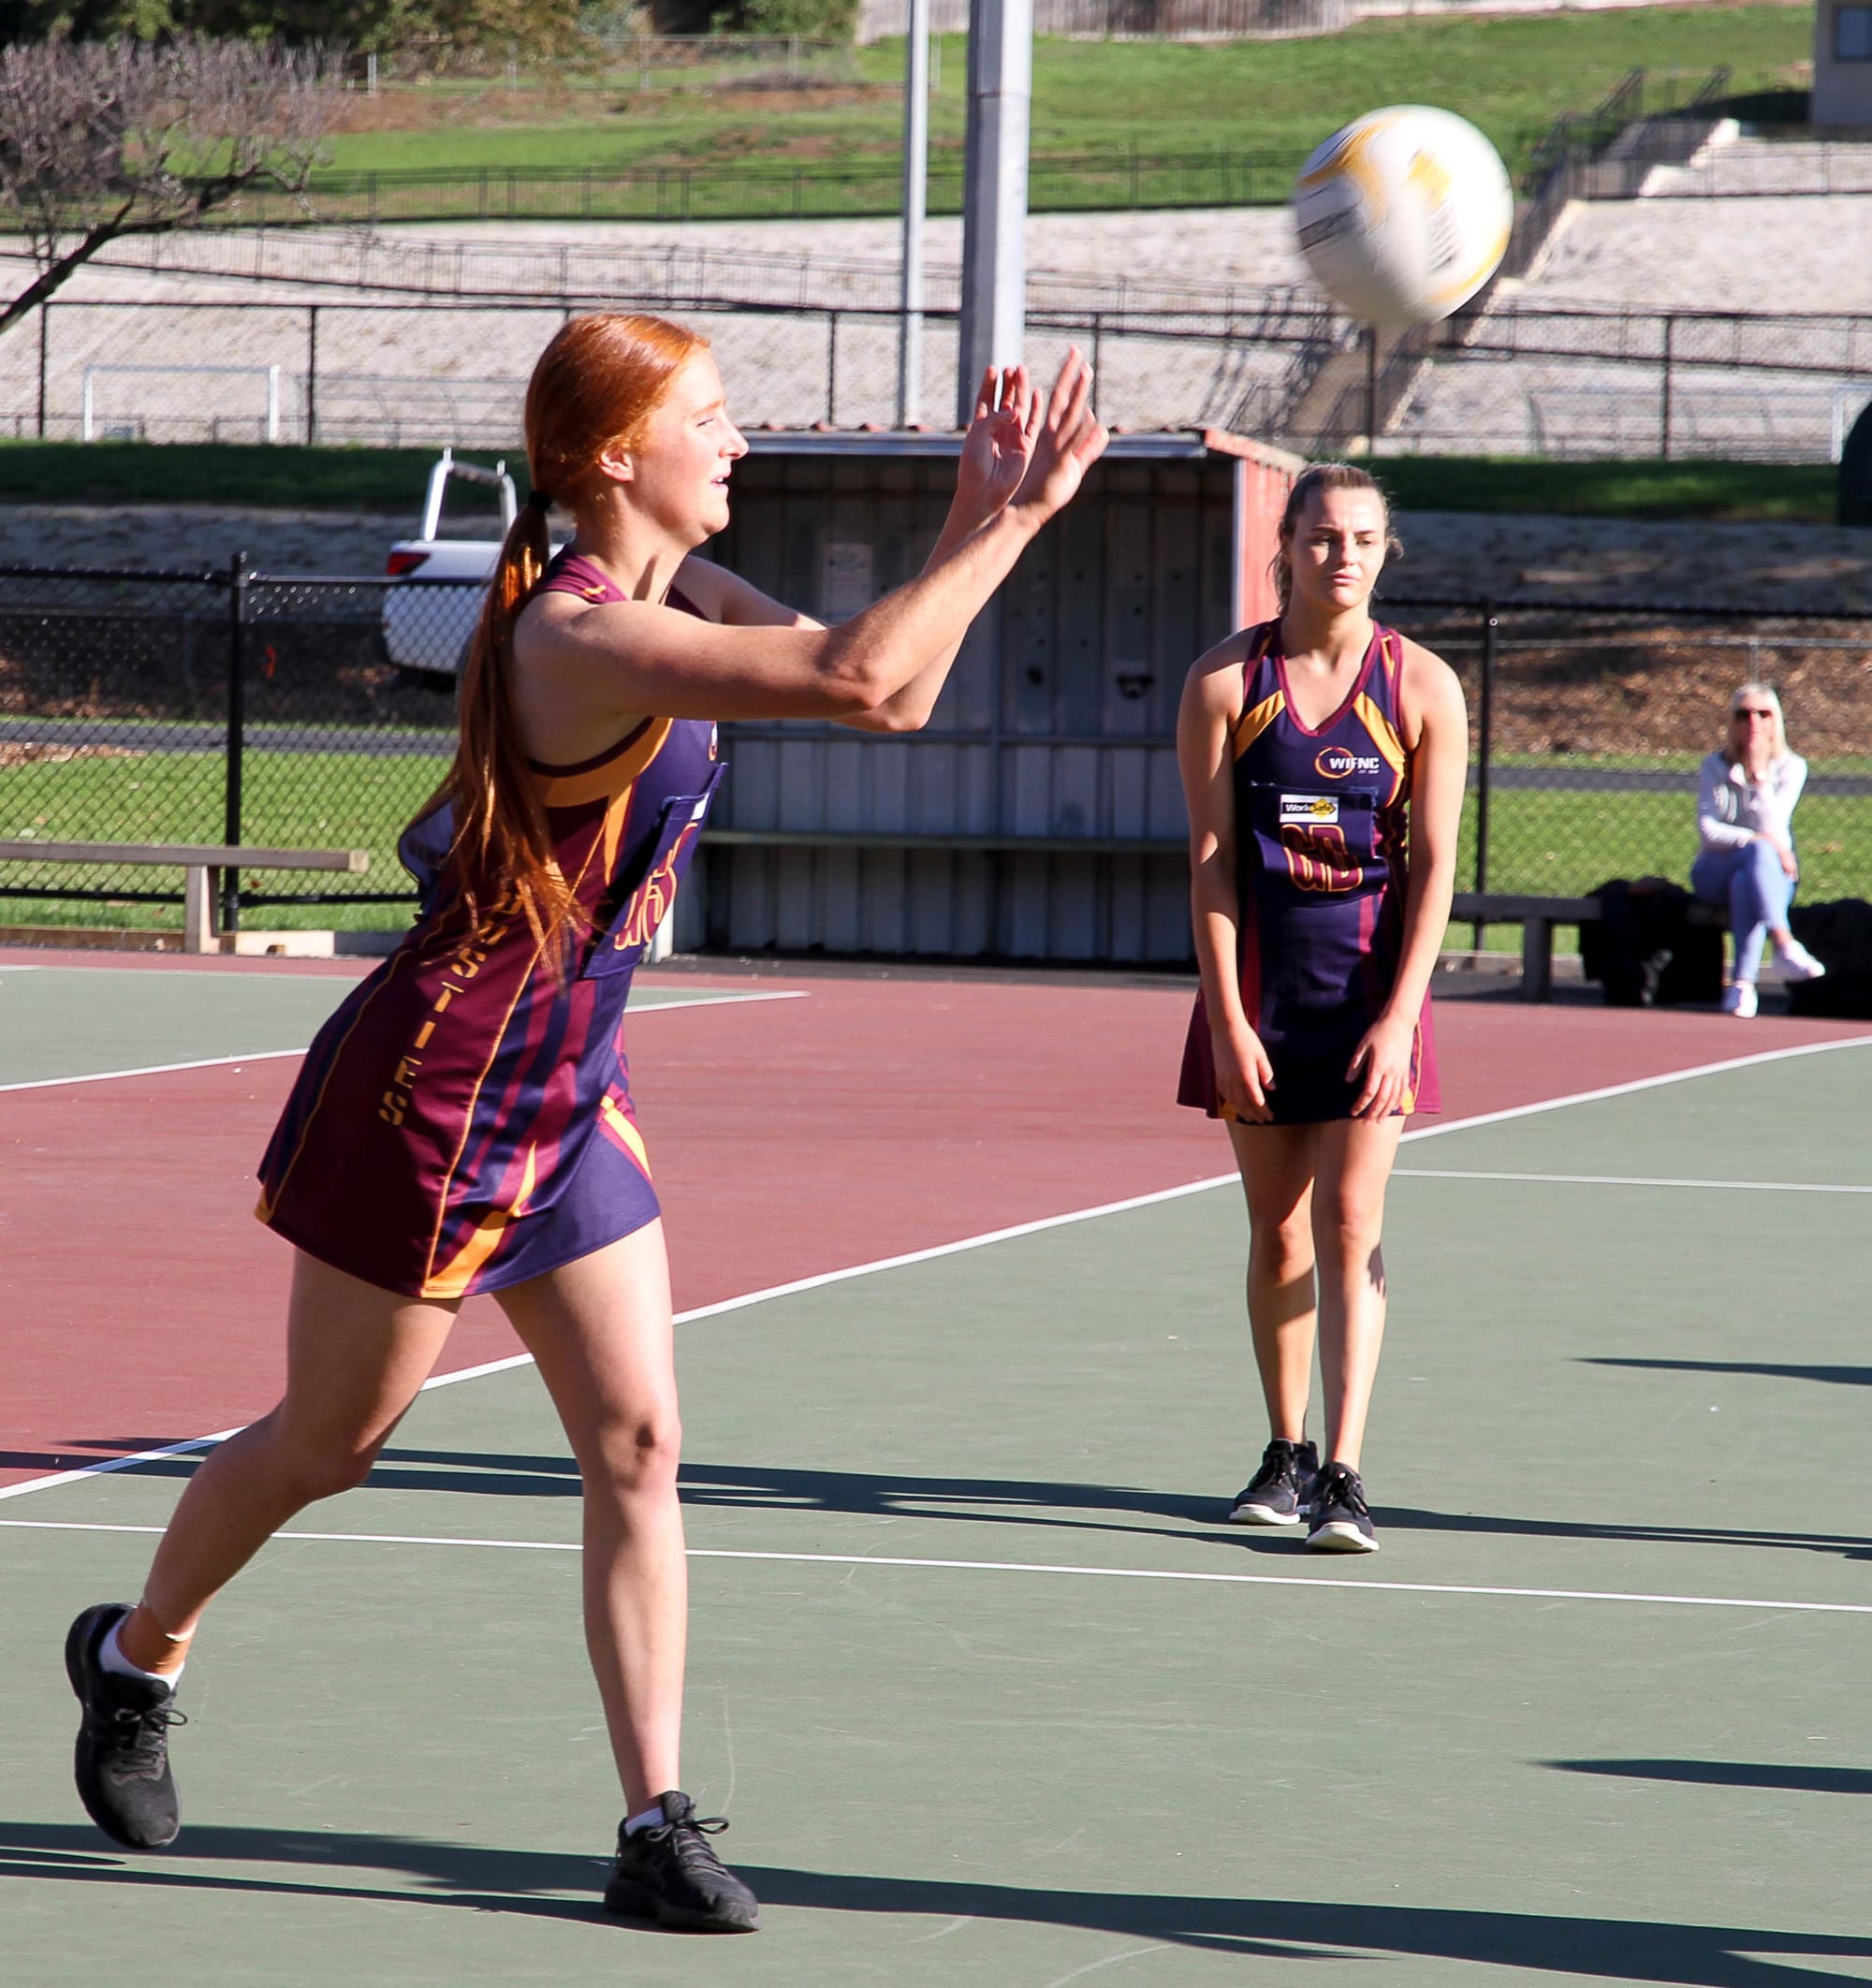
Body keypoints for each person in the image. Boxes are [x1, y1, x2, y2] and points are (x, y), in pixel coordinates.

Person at [64, 314, 1107, 1932]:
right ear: (617, 453)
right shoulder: (571, 634)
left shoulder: (664, 594)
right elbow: (857, 678)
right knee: (327, 1443)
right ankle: (136, 1654)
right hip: (436, 1097)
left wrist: (983, 517)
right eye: (714, 415)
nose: (740, 441)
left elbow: (878, 683)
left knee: (639, 1441)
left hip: (568, 1089)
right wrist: (1017, 519)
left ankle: (649, 1814)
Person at [1175, 464, 1465, 1555]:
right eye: (1321, 536)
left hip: (1368, 992)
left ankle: (1345, 1471)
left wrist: (1401, 1017)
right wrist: (1226, 1020)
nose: (1340, 555)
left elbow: (1433, 867)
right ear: (1286, 545)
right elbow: (1208, 867)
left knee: (1351, 1224)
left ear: (1385, 552)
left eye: (1362, 538)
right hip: (1259, 990)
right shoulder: (1221, 682)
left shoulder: (1422, 685)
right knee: (1278, 1230)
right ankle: (1281, 1453)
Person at [1691, 682, 1825, 1018]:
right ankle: (1783, 944)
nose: (1753, 722)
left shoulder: (1792, 767)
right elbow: (1709, 832)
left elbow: (1775, 824)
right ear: (1732, 721)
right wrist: (1756, 842)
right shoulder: (1714, 766)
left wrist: (1760, 777)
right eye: (1744, 714)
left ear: (1775, 720)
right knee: (1758, 853)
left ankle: (1742, 988)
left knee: (1745, 881)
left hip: (1768, 875)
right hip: (1713, 869)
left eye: (1763, 714)